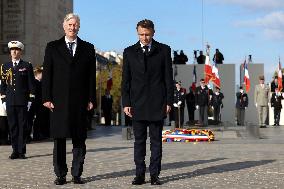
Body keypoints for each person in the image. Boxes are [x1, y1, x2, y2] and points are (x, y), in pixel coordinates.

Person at [42, 13, 96, 185]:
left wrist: (91, 98)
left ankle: (76, 173)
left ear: (79, 27)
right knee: (59, 139)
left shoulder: (88, 48)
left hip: (80, 101)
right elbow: (47, 74)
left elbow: (91, 77)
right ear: (64, 26)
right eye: (70, 24)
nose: (73, 27)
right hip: (58, 101)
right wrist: (46, 97)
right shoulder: (52, 47)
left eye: (75, 25)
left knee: (79, 138)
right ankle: (60, 174)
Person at [121, 19, 173, 185]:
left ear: (153, 33)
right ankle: (139, 174)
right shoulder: (129, 52)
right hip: (137, 104)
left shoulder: (164, 50)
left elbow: (168, 79)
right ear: (137, 33)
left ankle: (155, 175)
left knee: (156, 142)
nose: (144, 38)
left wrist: (168, 101)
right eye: (141, 34)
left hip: (158, 103)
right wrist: (126, 102)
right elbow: (126, 81)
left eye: (147, 35)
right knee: (139, 142)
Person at [0, 41, 35, 159]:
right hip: (10, 102)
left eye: (17, 50)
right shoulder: (5, 67)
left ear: (20, 51)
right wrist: (4, 101)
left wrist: (30, 100)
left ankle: (21, 151)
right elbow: (3, 86)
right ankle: (15, 150)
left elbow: (31, 84)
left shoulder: (27, 65)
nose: (14, 52)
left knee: (22, 126)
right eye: (12, 50)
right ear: (10, 52)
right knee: (13, 126)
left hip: (23, 101)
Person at [0, 79, 9, 145]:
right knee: (3, 121)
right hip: (2, 102)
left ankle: (4, 139)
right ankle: (3, 139)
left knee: (4, 121)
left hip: (3, 102)